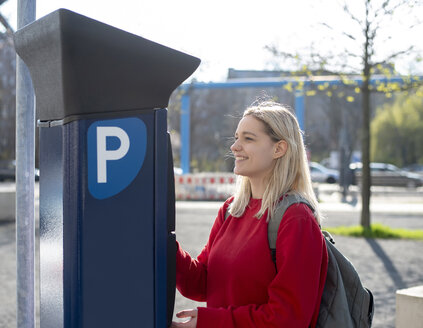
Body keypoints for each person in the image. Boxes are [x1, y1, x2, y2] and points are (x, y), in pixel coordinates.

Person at [172, 101, 328, 328]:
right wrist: (165, 243)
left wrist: (210, 322)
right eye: (236, 137)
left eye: (248, 138)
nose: (235, 146)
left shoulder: (296, 219)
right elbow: (202, 284)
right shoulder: (230, 210)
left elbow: (289, 319)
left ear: (279, 149)